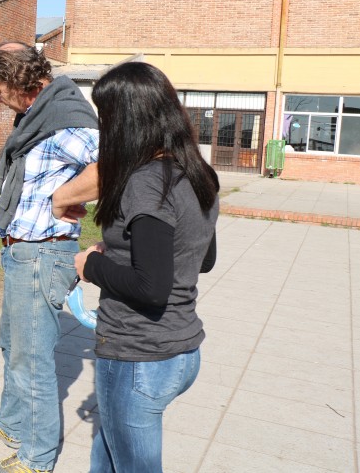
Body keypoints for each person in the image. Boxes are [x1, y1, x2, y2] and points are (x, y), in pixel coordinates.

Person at [70, 62, 218, 472]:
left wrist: (91, 265)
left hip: (140, 357)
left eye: (106, 117)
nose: (104, 129)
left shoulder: (146, 181)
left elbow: (151, 286)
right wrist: (122, 249)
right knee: (107, 453)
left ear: (127, 121)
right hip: (181, 351)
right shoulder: (196, 171)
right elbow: (203, 258)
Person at [0, 41, 100, 473]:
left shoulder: (67, 118)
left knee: (34, 362)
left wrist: (66, 197)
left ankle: (37, 457)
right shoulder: (39, 114)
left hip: (43, 254)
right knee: (14, 346)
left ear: (16, 81)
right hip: (22, 253)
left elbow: (117, 164)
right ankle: (13, 423)